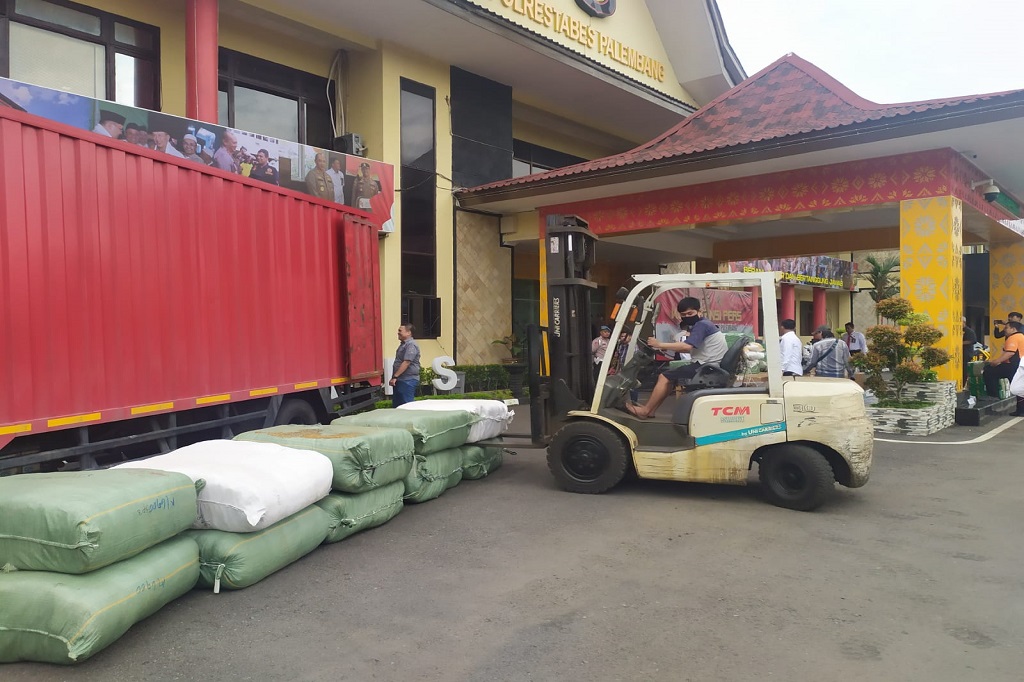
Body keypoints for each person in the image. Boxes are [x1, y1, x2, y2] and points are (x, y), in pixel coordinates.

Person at [625, 297, 728, 419]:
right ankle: (651, 411)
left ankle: (646, 410)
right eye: (683, 315)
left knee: (663, 376)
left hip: (706, 366)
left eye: (690, 313)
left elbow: (686, 347)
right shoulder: (701, 324)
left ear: (699, 311)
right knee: (670, 378)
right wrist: (663, 347)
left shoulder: (702, 325)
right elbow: (689, 346)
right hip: (707, 364)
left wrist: (660, 344)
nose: (687, 316)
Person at [983, 320, 1022, 398]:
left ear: (1013, 329)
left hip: (1012, 365)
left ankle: (993, 396)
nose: (1004, 330)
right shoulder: (1021, 336)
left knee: (989, 371)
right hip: (1019, 365)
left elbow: (1010, 353)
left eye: (1006, 328)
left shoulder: (1013, 337)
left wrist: (996, 361)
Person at [390, 323, 421, 407]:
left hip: (408, 380)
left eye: (400, 331)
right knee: (399, 406)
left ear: (408, 333)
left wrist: (395, 376)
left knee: (407, 406)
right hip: (401, 380)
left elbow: (407, 362)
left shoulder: (411, 345)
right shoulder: (403, 344)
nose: (398, 332)